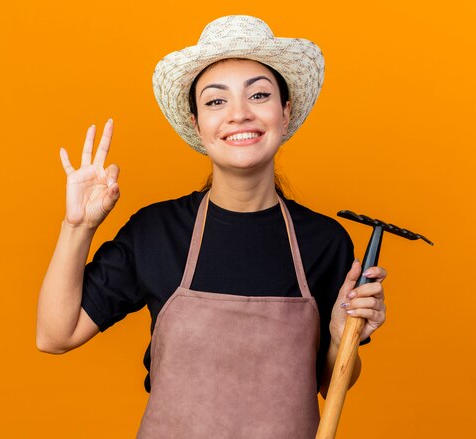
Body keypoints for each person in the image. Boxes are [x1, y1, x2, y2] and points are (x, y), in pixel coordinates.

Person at [36, 15, 387, 438]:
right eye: (216, 101)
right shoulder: (156, 232)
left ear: (285, 111)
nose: (239, 114)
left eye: (259, 95)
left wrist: (338, 337)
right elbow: (55, 335)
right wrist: (78, 227)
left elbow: (334, 385)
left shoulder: (325, 242)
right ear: (198, 123)